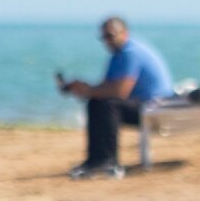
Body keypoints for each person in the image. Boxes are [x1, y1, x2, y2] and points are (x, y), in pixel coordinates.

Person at [58, 17, 174, 178]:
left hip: (156, 107)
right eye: (104, 37)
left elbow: (120, 91)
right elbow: (107, 88)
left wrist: (89, 90)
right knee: (97, 102)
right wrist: (85, 89)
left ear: (124, 33)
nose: (107, 41)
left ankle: (108, 160)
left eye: (110, 36)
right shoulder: (118, 55)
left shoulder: (130, 53)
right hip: (144, 105)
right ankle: (96, 159)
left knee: (108, 105)